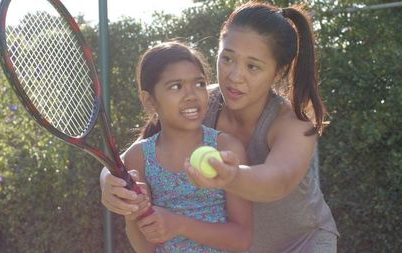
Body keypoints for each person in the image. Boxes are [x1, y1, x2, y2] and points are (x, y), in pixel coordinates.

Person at [100, 1, 339, 252]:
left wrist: (231, 176)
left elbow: (278, 181)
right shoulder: (199, 103)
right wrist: (108, 182)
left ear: (278, 73)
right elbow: (133, 155)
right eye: (227, 58)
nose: (235, 76)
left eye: (253, 66)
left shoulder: (293, 125)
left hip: (302, 244)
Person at [118, 41, 253, 252]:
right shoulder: (139, 157)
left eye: (199, 84)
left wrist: (179, 224)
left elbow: (242, 239)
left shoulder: (226, 148)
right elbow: (145, 248)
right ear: (149, 101)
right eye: (176, 86)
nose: (192, 95)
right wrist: (132, 212)